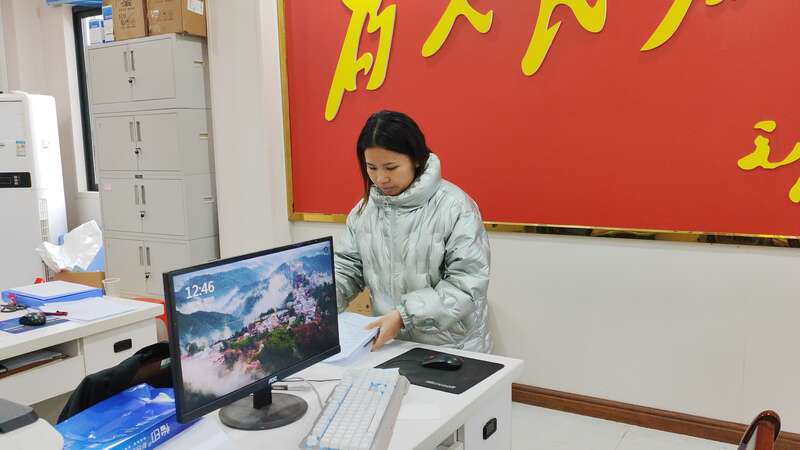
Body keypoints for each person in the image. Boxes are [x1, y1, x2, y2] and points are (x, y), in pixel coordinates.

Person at [334, 110, 492, 353]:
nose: (381, 178)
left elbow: (466, 285)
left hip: (452, 347)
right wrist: (320, 302)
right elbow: (347, 268)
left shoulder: (455, 207)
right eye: (371, 168)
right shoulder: (363, 211)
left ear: (416, 159)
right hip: (390, 345)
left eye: (391, 167)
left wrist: (404, 316)